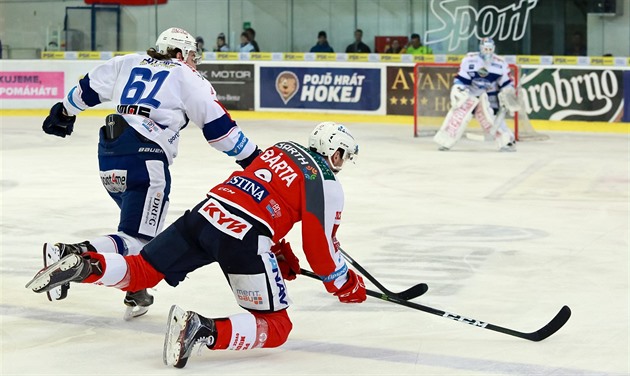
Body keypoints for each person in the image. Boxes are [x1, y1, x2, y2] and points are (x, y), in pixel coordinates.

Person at [27, 121, 367, 368]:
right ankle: (202, 329)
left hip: (205, 214)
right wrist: (343, 283)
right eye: (342, 156)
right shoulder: (325, 182)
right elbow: (320, 250)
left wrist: (277, 251)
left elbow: (264, 194)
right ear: (334, 152)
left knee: (142, 271)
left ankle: (87, 264)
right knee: (277, 327)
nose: (341, 164)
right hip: (244, 236)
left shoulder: (281, 148)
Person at [36, 26, 262, 320]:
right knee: (141, 237)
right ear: (179, 53)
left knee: (133, 230)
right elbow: (220, 131)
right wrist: (256, 160)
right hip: (146, 159)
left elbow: (88, 89)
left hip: (110, 154)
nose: (194, 62)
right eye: (192, 55)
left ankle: (135, 288)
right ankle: (71, 254)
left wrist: (64, 112)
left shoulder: (128, 62)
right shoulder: (186, 75)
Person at [433, 37, 517, 152]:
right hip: (470, 93)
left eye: (490, 48)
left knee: (490, 118)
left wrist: (509, 94)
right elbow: (462, 79)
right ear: (480, 48)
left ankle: (507, 142)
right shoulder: (470, 60)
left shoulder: (500, 63)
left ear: (493, 48)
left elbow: (506, 83)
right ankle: (445, 141)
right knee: (458, 115)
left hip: (488, 94)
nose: (487, 51)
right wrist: (458, 88)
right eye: (485, 48)